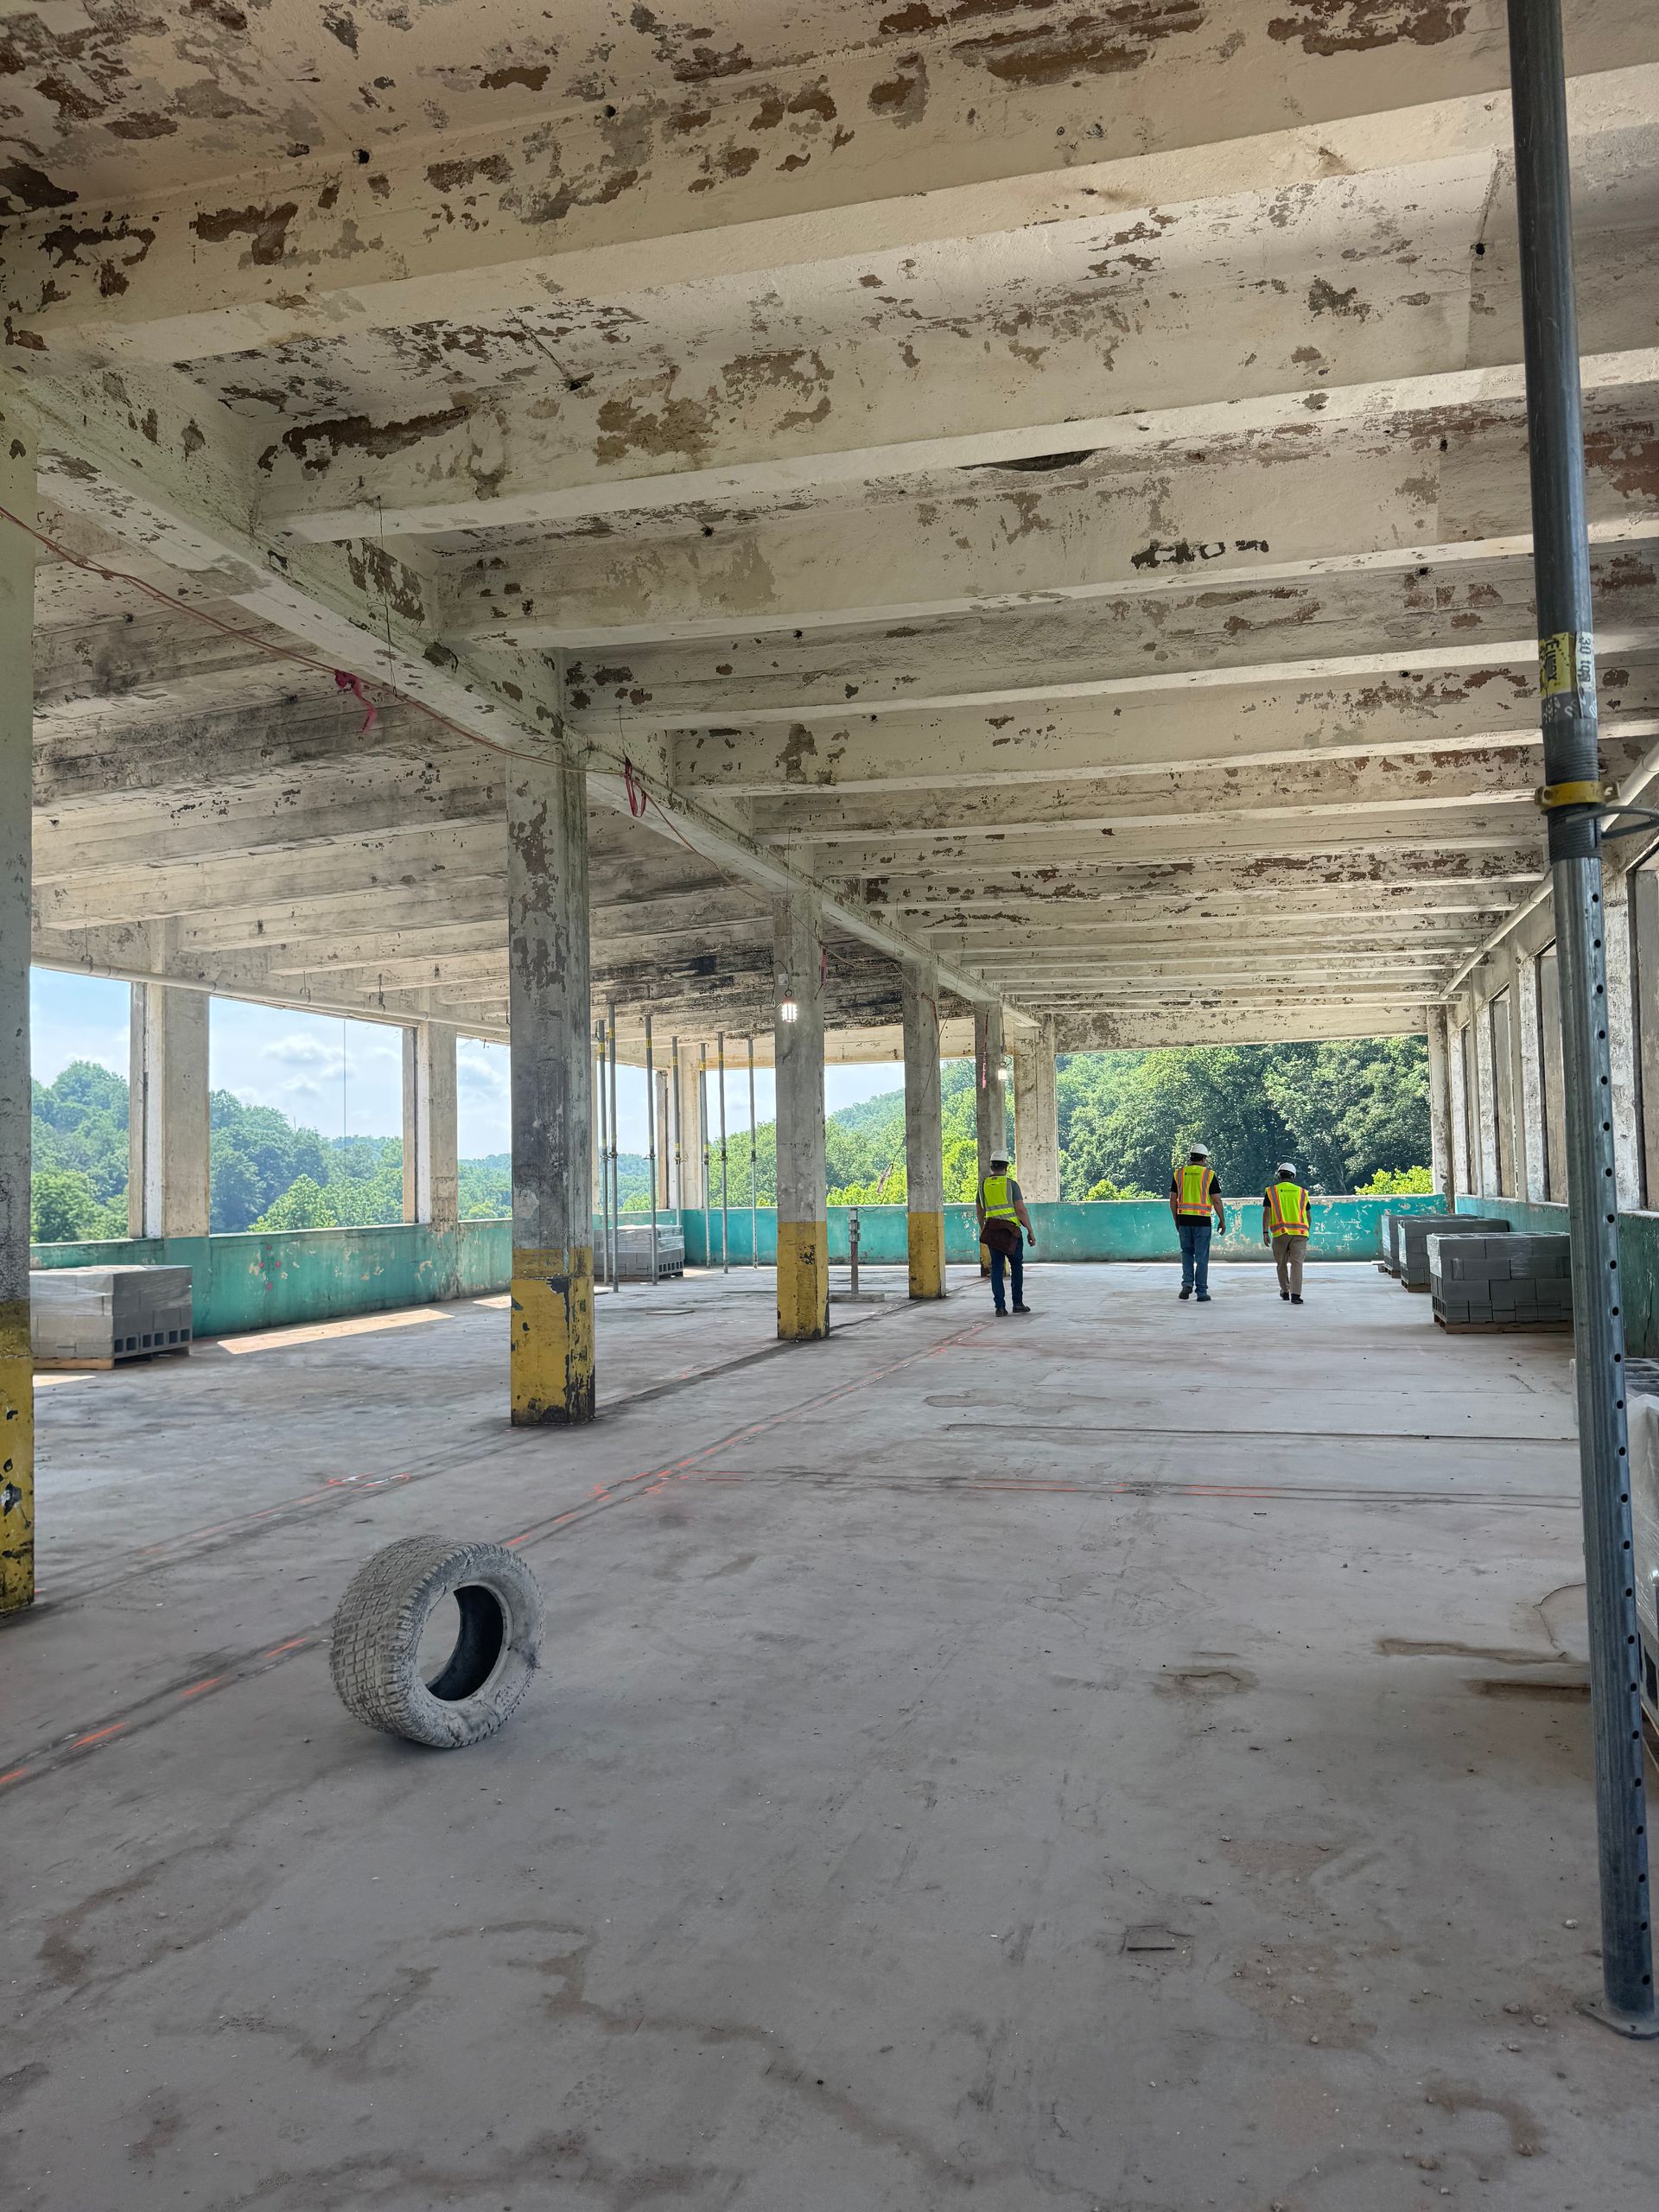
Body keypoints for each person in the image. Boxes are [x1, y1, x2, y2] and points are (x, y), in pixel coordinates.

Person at [977, 1149, 1035, 1317]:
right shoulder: (1011, 1185)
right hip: (1011, 1233)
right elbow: (1020, 1210)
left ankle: (1000, 1307)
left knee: (996, 1268)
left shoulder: (982, 1186)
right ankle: (1017, 1303)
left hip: (993, 1233)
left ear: (991, 1166)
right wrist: (1030, 1231)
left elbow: (980, 1211)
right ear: (1006, 1167)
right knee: (1016, 1266)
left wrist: (983, 1229)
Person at [1170, 1143, 1225, 1302]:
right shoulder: (1209, 1175)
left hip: (1184, 1220)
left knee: (1186, 1252)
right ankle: (1201, 1292)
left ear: (1191, 1157)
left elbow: (1173, 1199)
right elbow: (1216, 1200)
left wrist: (1176, 1219)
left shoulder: (1179, 1174)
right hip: (1202, 1221)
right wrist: (1222, 1220)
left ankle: (1187, 1283)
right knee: (1201, 1257)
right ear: (1204, 1158)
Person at [1263, 1160, 1311, 1305]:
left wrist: (1265, 1232)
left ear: (1279, 1176)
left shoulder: (1271, 1191)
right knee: (1297, 1263)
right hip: (1300, 1232)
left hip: (1280, 1233)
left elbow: (1267, 1212)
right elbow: (1308, 1215)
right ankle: (1296, 1295)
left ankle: (1285, 1290)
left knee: (1281, 1263)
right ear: (1293, 1177)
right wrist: (1307, 1230)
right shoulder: (1302, 1192)